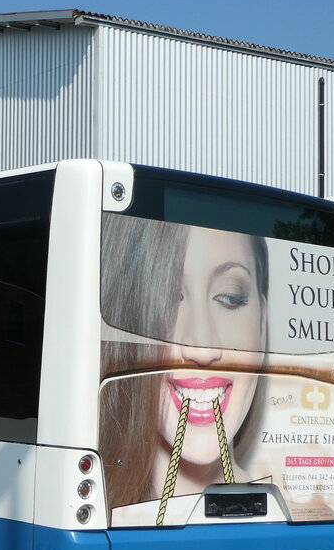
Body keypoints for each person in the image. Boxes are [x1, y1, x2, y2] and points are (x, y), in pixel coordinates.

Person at [100, 214, 269, 526]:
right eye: (169, 297)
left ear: (262, 323)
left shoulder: (305, 513)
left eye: (230, 298)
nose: (202, 350)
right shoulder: (85, 511)